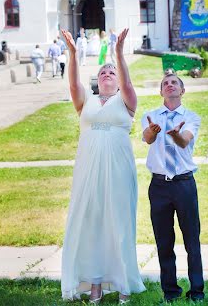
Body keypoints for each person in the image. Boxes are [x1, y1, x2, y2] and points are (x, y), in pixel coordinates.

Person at [60, 27, 145, 303]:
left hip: (118, 167)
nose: (107, 74)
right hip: (88, 168)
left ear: (118, 80)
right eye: (103, 73)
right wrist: (73, 54)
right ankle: (95, 283)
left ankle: (122, 283)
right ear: (97, 81)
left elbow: (129, 84)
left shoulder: (126, 101)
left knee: (118, 220)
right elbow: (73, 85)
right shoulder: (86, 102)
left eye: (112, 72)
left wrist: (118, 53)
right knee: (91, 221)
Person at [142, 74, 205, 303]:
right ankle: (170, 291)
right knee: (164, 241)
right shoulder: (150, 116)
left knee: (191, 239)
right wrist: (153, 131)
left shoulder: (191, 117)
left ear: (182, 90)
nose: (169, 85)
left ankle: (196, 290)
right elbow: (147, 139)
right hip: (159, 186)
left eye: (174, 83)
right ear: (161, 92)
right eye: (165, 83)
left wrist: (175, 134)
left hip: (183, 184)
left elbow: (184, 141)